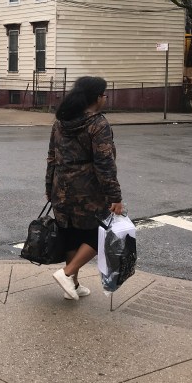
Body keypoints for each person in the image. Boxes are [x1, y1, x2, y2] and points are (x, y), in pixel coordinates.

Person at [46, 76, 123, 300]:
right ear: (97, 98)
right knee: (101, 234)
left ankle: (73, 285)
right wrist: (115, 196)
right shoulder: (98, 124)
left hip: (61, 188)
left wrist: (49, 186)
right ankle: (67, 273)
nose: (106, 98)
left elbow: (52, 157)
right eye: (104, 94)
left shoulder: (61, 121)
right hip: (88, 190)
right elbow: (104, 163)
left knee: (71, 235)